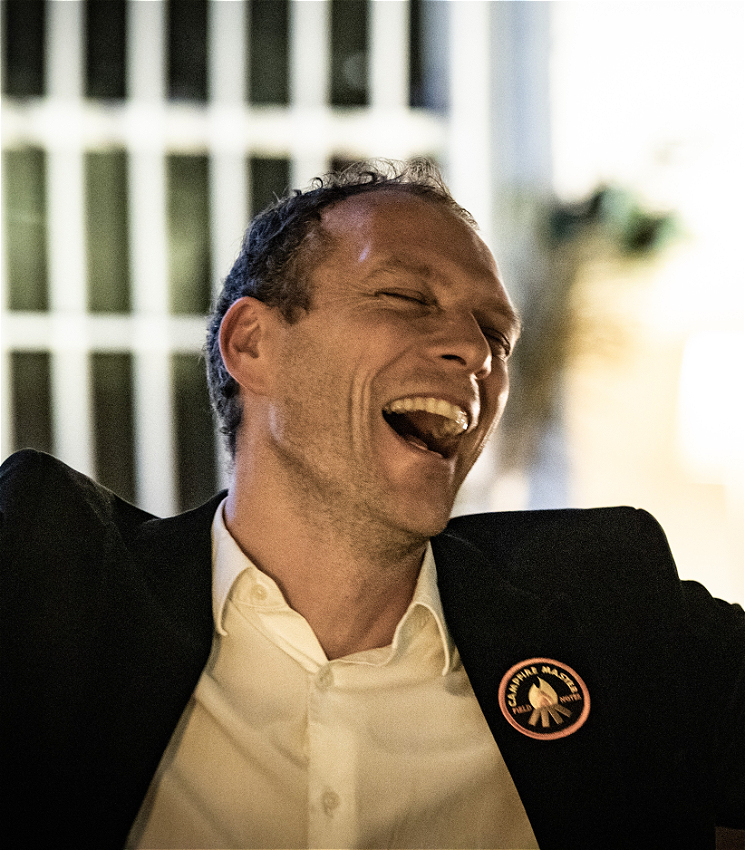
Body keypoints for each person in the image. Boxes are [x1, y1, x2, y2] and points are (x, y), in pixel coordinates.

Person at [1, 160, 743, 850]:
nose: (474, 352)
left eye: (496, 334)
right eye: (405, 297)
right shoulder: (50, 590)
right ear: (252, 343)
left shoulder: (611, 607)